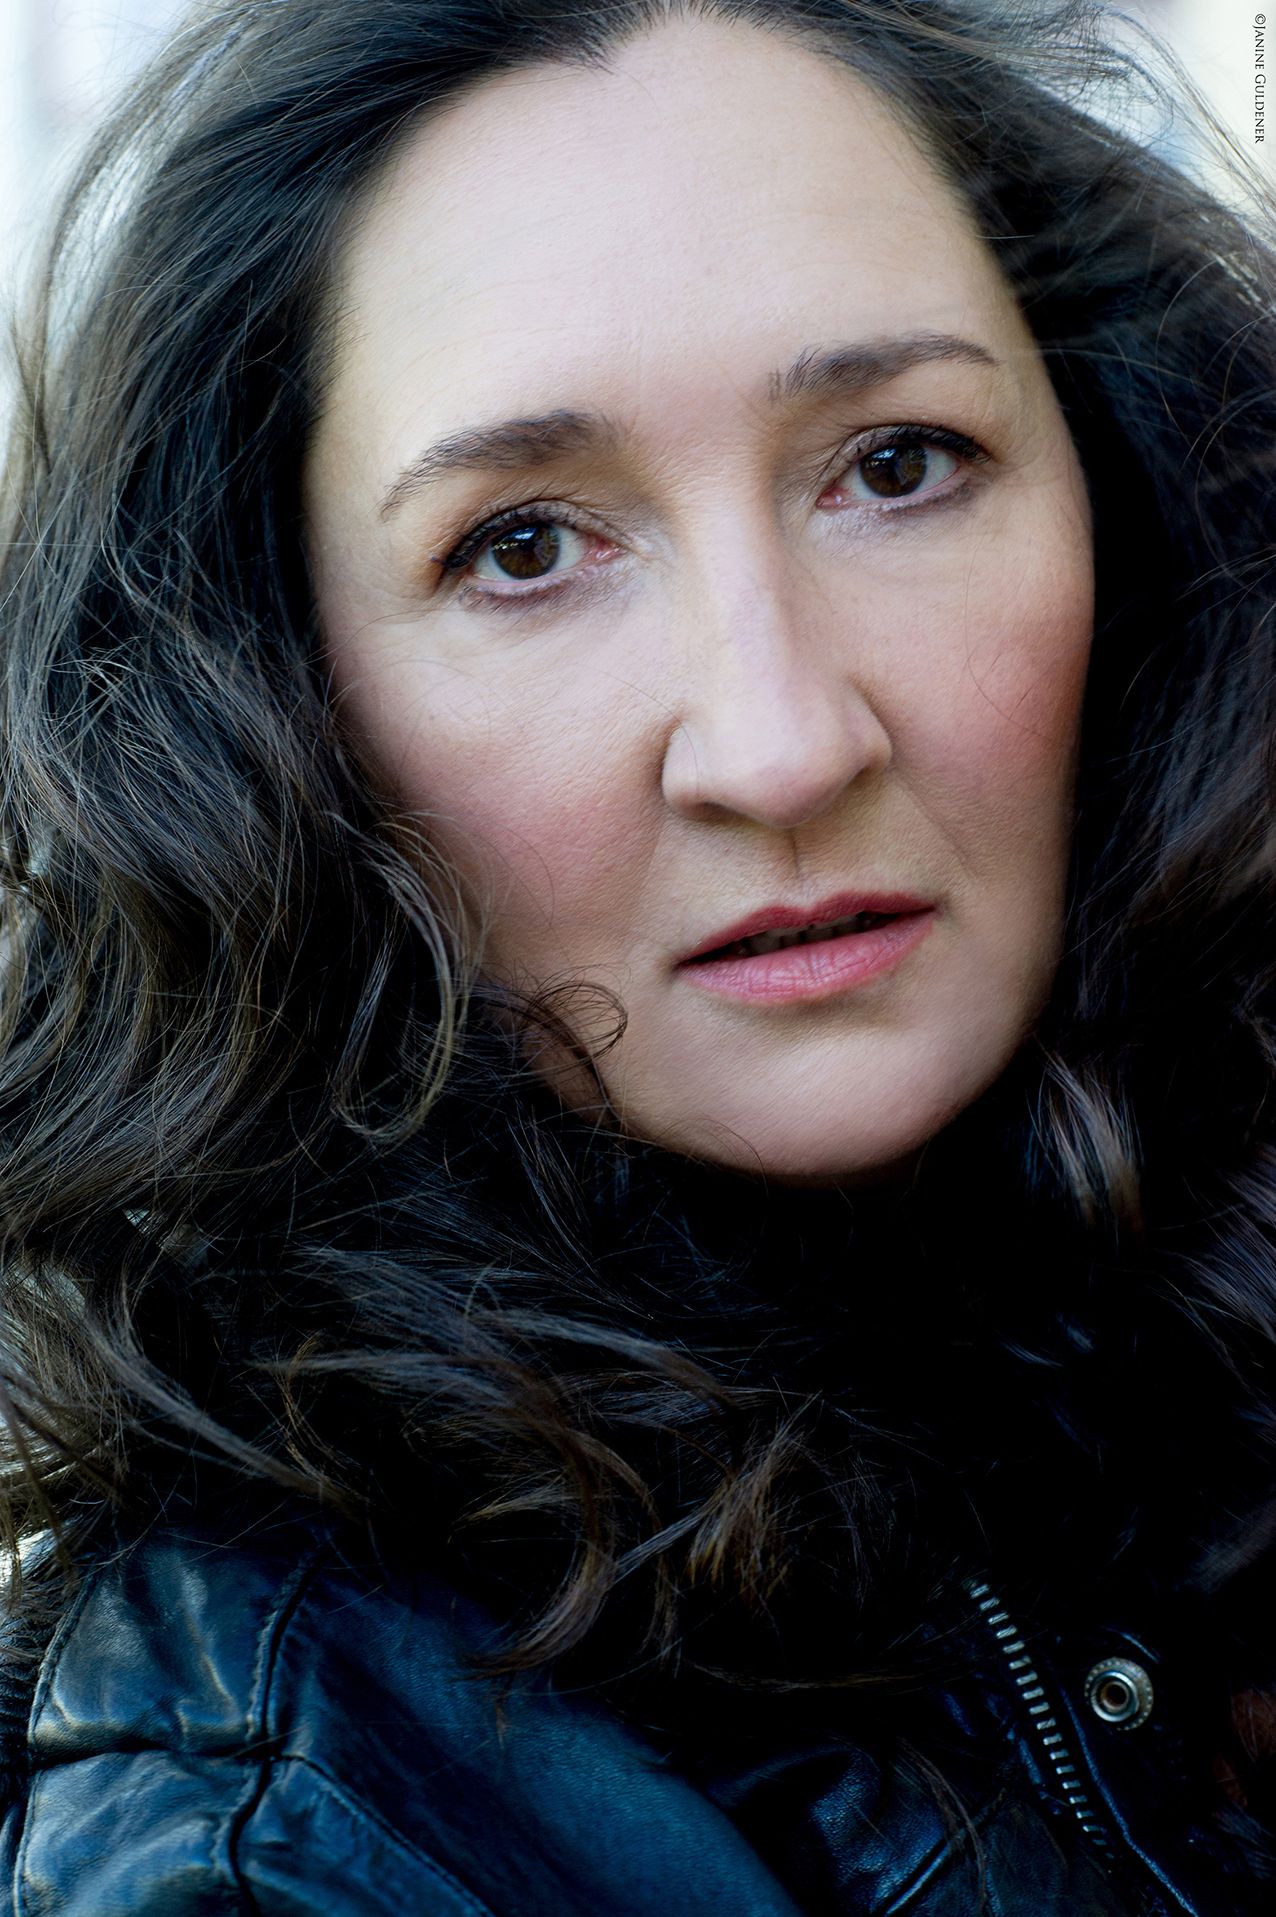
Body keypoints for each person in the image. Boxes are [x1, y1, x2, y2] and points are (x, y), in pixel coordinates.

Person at [0, 0, 1274, 1908]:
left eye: (899, 463)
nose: (783, 742)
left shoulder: (1175, 1360)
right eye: (523, 547)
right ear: (279, 711)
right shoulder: (282, 1834)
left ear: (1129, 494)